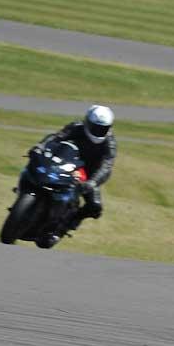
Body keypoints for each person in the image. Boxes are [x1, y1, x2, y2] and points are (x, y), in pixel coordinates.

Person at [34, 105, 116, 244]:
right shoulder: (77, 127)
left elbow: (106, 165)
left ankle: (62, 228)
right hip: (65, 162)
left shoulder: (110, 143)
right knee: (38, 167)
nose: (98, 132)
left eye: (102, 129)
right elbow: (56, 137)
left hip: (88, 175)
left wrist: (92, 182)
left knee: (95, 206)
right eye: (95, 127)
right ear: (87, 122)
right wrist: (41, 146)